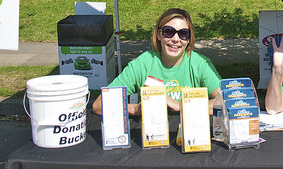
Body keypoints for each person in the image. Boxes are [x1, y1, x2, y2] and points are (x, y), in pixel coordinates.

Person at [92, 8, 221, 116]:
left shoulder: (200, 64)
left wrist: (179, 105)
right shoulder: (142, 64)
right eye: (169, 32)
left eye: (183, 33)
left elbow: (226, 100)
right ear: (159, 35)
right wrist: (136, 109)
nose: (175, 39)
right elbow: (99, 104)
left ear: (189, 39)